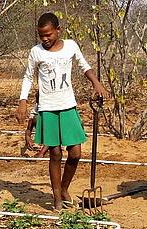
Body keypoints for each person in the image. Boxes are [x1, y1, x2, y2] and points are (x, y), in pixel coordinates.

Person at [16, 12, 109, 212]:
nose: (45, 39)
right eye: (41, 35)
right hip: (48, 108)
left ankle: (64, 187)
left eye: (48, 34)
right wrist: (23, 102)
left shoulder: (71, 46)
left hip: (67, 105)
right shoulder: (36, 52)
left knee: (75, 153)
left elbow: (85, 66)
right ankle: (57, 196)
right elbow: (27, 77)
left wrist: (96, 83)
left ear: (58, 30)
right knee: (55, 153)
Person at [23, 92, 49, 158]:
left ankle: (45, 148)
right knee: (35, 118)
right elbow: (29, 129)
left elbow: (53, 134)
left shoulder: (52, 108)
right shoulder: (35, 110)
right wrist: (27, 138)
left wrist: (41, 153)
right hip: (44, 133)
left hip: (53, 134)